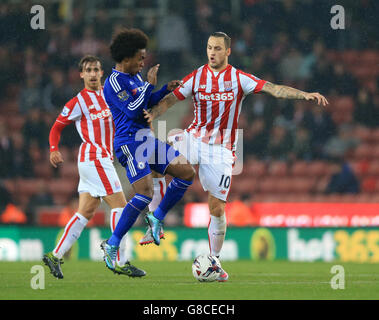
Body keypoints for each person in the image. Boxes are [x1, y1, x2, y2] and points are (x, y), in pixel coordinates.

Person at [144, 31, 328, 282]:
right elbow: (170, 101)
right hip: (193, 138)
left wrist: (304, 94)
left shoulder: (239, 79)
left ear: (228, 51)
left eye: (218, 48)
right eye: (209, 47)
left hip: (221, 149)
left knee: (217, 208)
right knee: (156, 156)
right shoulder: (197, 76)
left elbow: (273, 89)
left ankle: (214, 262)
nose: (212, 52)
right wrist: (154, 115)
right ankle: (156, 216)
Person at [42, 55, 146, 279]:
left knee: (84, 212)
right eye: (87, 70)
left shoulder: (110, 95)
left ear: (102, 73)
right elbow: (57, 126)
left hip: (101, 159)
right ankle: (120, 260)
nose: (91, 74)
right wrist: (53, 149)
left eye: (95, 69)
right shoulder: (79, 101)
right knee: (121, 206)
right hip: (94, 157)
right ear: (81, 75)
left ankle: (55, 255)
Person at [101, 28, 196, 272]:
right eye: (140, 58)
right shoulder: (113, 82)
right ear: (126, 58)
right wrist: (149, 85)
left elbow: (146, 101)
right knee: (143, 193)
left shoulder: (135, 78)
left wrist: (163, 90)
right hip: (129, 144)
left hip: (146, 139)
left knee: (186, 172)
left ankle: (156, 217)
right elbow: (133, 109)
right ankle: (112, 244)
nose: (144, 62)